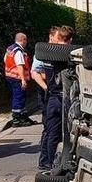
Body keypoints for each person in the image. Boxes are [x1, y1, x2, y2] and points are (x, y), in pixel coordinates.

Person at [38, 25, 74, 170]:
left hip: (53, 97)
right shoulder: (71, 55)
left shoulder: (47, 54)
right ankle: (53, 163)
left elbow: (37, 72)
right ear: (70, 40)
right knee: (61, 133)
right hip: (63, 98)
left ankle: (47, 162)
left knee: (51, 132)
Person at [32, 27, 59, 170]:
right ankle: (44, 160)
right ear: (51, 37)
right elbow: (35, 73)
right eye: (58, 37)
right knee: (48, 128)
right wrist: (47, 87)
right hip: (47, 93)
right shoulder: (43, 52)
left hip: (54, 92)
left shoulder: (59, 52)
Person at [4, 32, 36, 127]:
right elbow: (19, 66)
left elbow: (5, 60)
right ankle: (17, 119)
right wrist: (23, 79)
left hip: (10, 77)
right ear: (23, 40)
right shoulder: (18, 51)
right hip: (17, 78)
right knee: (19, 98)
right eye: (25, 40)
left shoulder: (10, 49)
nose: (26, 42)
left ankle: (23, 116)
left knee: (19, 97)